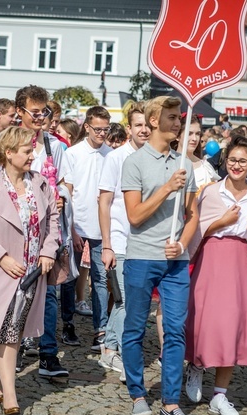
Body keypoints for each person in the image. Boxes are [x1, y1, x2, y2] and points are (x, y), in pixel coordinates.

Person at [121, 96, 199, 415]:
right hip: (140, 257)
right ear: (153, 121)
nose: (178, 122)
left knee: (176, 330)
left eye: (179, 117)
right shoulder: (134, 162)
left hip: (175, 261)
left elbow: (193, 214)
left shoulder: (187, 164)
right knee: (135, 328)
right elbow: (135, 216)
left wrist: (182, 242)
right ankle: (138, 395)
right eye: (171, 117)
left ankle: (170, 402)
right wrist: (168, 187)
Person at [0, 126, 59, 415]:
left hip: (34, 271)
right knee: (5, 331)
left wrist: (49, 250)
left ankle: (2, 380)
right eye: (26, 150)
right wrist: (3, 258)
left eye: (32, 149)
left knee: (17, 330)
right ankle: (10, 393)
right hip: (2, 273)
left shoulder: (41, 184)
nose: (32, 155)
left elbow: (53, 221)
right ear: (8, 153)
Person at [183, 137, 247, 415]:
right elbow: (196, 230)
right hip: (212, 257)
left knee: (232, 326)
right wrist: (221, 222)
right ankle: (195, 366)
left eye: (243, 161)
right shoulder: (211, 192)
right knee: (204, 320)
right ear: (225, 161)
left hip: (240, 261)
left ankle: (220, 394)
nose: (237, 165)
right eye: (232, 160)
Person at [97, 101, 150, 380]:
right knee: (124, 300)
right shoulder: (116, 158)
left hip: (146, 242)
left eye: (147, 125)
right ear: (129, 128)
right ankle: (110, 348)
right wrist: (107, 245)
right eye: (138, 125)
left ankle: (120, 347)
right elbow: (104, 203)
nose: (144, 130)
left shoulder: (153, 157)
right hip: (119, 241)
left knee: (136, 302)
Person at [64, 106, 113, 351]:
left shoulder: (111, 154)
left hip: (100, 225)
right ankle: (67, 324)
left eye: (106, 129)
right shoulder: (73, 153)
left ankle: (100, 329)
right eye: (97, 129)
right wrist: (70, 227)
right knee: (69, 277)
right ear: (86, 127)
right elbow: (68, 192)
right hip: (77, 222)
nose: (102, 133)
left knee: (100, 279)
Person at [177, 116, 219, 188]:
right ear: (177, 136)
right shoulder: (167, 163)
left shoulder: (204, 167)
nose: (194, 139)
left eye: (197, 134)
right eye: (189, 133)